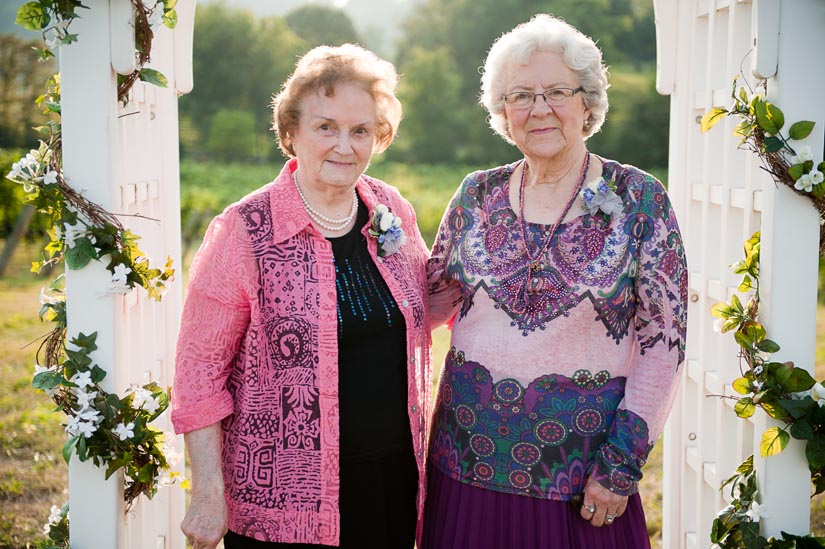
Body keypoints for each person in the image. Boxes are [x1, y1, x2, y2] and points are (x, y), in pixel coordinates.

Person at [423, 14, 687, 549]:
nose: (538, 108)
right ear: (502, 111)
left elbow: (665, 347)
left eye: (557, 92)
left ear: (587, 102)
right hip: (464, 466)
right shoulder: (476, 195)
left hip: (581, 480)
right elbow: (427, 305)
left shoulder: (640, 200)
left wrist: (620, 466)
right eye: (520, 95)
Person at [171, 44, 432, 549]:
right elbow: (198, 370)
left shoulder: (390, 206)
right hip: (281, 500)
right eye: (326, 127)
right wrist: (207, 490)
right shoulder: (246, 229)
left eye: (360, 131)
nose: (344, 145)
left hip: (391, 476)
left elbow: (429, 304)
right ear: (291, 132)